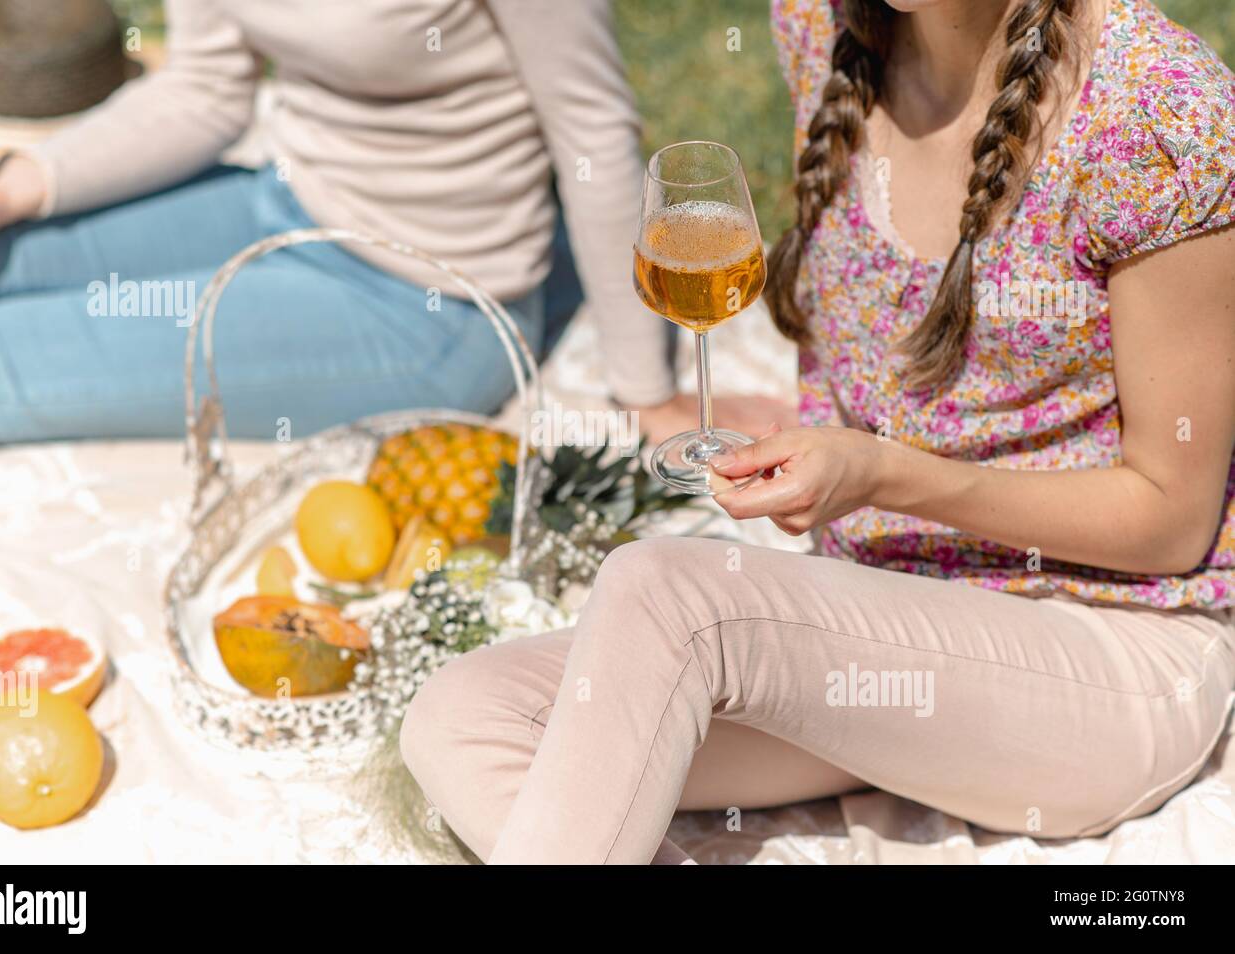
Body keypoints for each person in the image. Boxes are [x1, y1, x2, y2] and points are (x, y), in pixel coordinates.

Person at [400, 0, 1235, 864]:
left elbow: (1170, 520)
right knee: (466, 712)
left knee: (670, 595)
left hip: (1106, 656)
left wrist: (883, 473)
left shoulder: (1156, 110)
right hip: (883, 637)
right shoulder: (823, 23)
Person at [0, 0, 787, 468]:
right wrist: (2, 194)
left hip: (429, 307)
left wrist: (650, 393)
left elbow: (593, 135)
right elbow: (203, 88)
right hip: (287, 196)